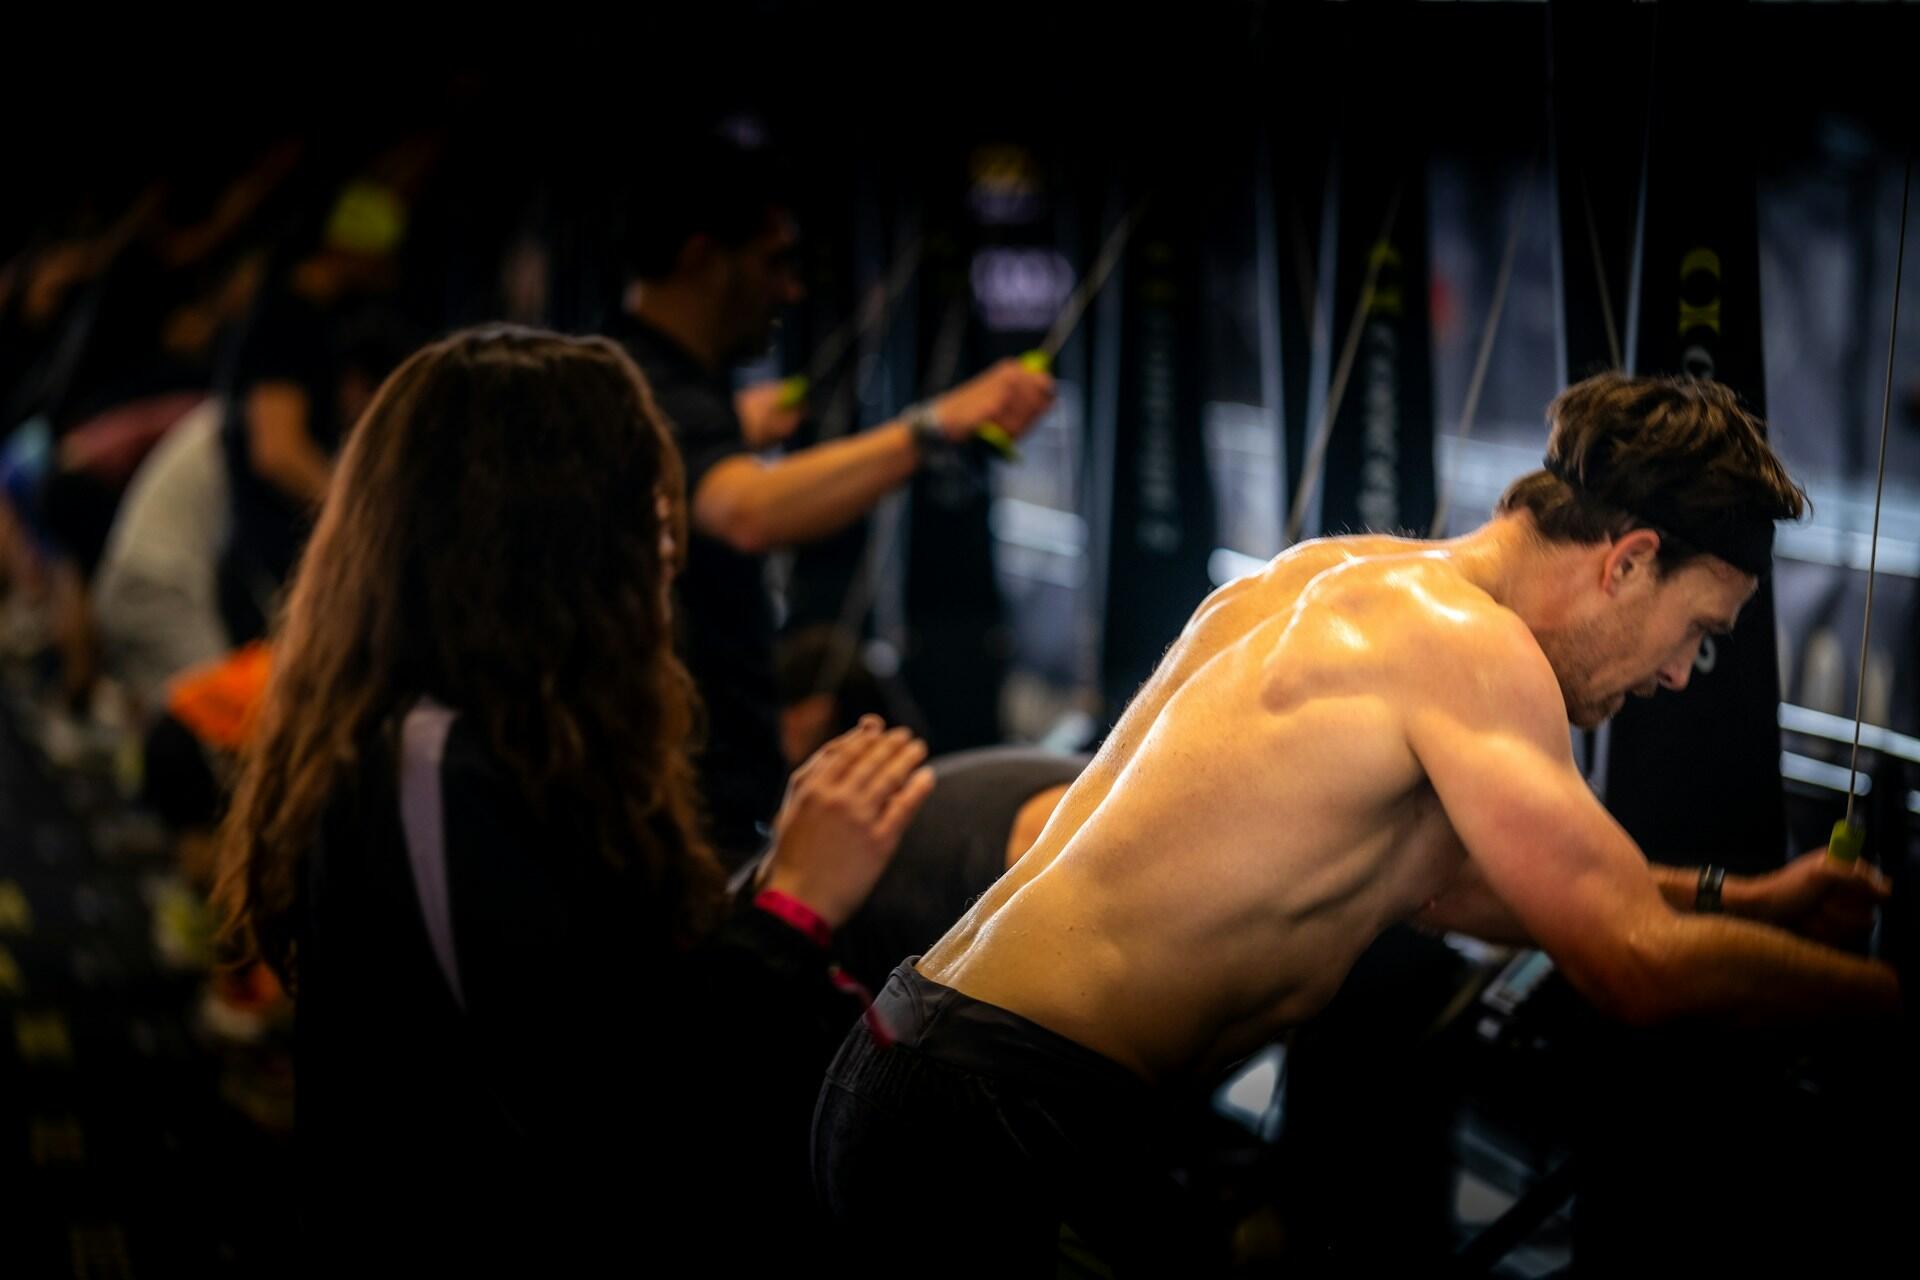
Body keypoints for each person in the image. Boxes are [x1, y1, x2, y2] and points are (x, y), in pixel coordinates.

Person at [813, 372, 1903, 1273]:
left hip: (926, 1069)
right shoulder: (1474, 648)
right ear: (1627, 561)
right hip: (1000, 1117)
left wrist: (1747, 901)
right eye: (1695, 632)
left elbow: (1462, 889)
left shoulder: (1339, 578)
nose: (1677, 672)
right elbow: (1631, 960)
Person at [212, 327, 934, 1271]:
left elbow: (611, 1000)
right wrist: (793, 905)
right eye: (644, 505)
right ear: (545, 535)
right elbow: (611, 1104)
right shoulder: (423, 770)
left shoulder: (512, 739)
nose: (668, 543)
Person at [612, 134, 1055, 866]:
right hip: (692, 827)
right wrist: (937, 423)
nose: (790, 289)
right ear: (699, 258)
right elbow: (747, 512)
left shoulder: (676, 385)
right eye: (772, 260)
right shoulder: (642, 383)